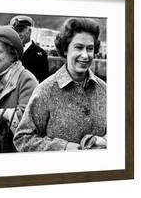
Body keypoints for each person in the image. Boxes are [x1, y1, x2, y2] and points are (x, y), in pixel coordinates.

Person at [14, 17, 107, 151]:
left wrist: (104, 140)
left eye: (90, 48)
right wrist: (63, 147)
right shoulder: (46, 90)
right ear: (65, 50)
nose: (85, 55)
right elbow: (22, 139)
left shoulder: (104, 90)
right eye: (78, 48)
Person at [10, 15, 49, 82]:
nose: (18, 34)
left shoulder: (40, 53)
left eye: (21, 30)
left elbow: (43, 80)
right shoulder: (10, 51)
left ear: (30, 31)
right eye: (16, 31)